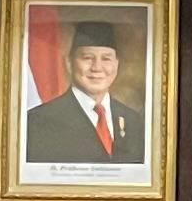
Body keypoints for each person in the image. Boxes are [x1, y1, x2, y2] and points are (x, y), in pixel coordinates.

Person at [22, 22, 145, 168]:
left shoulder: (134, 121)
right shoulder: (38, 121)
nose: (97, 68)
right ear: (69, 63)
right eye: (87, 58)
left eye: (106, 59)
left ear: (116, 65)